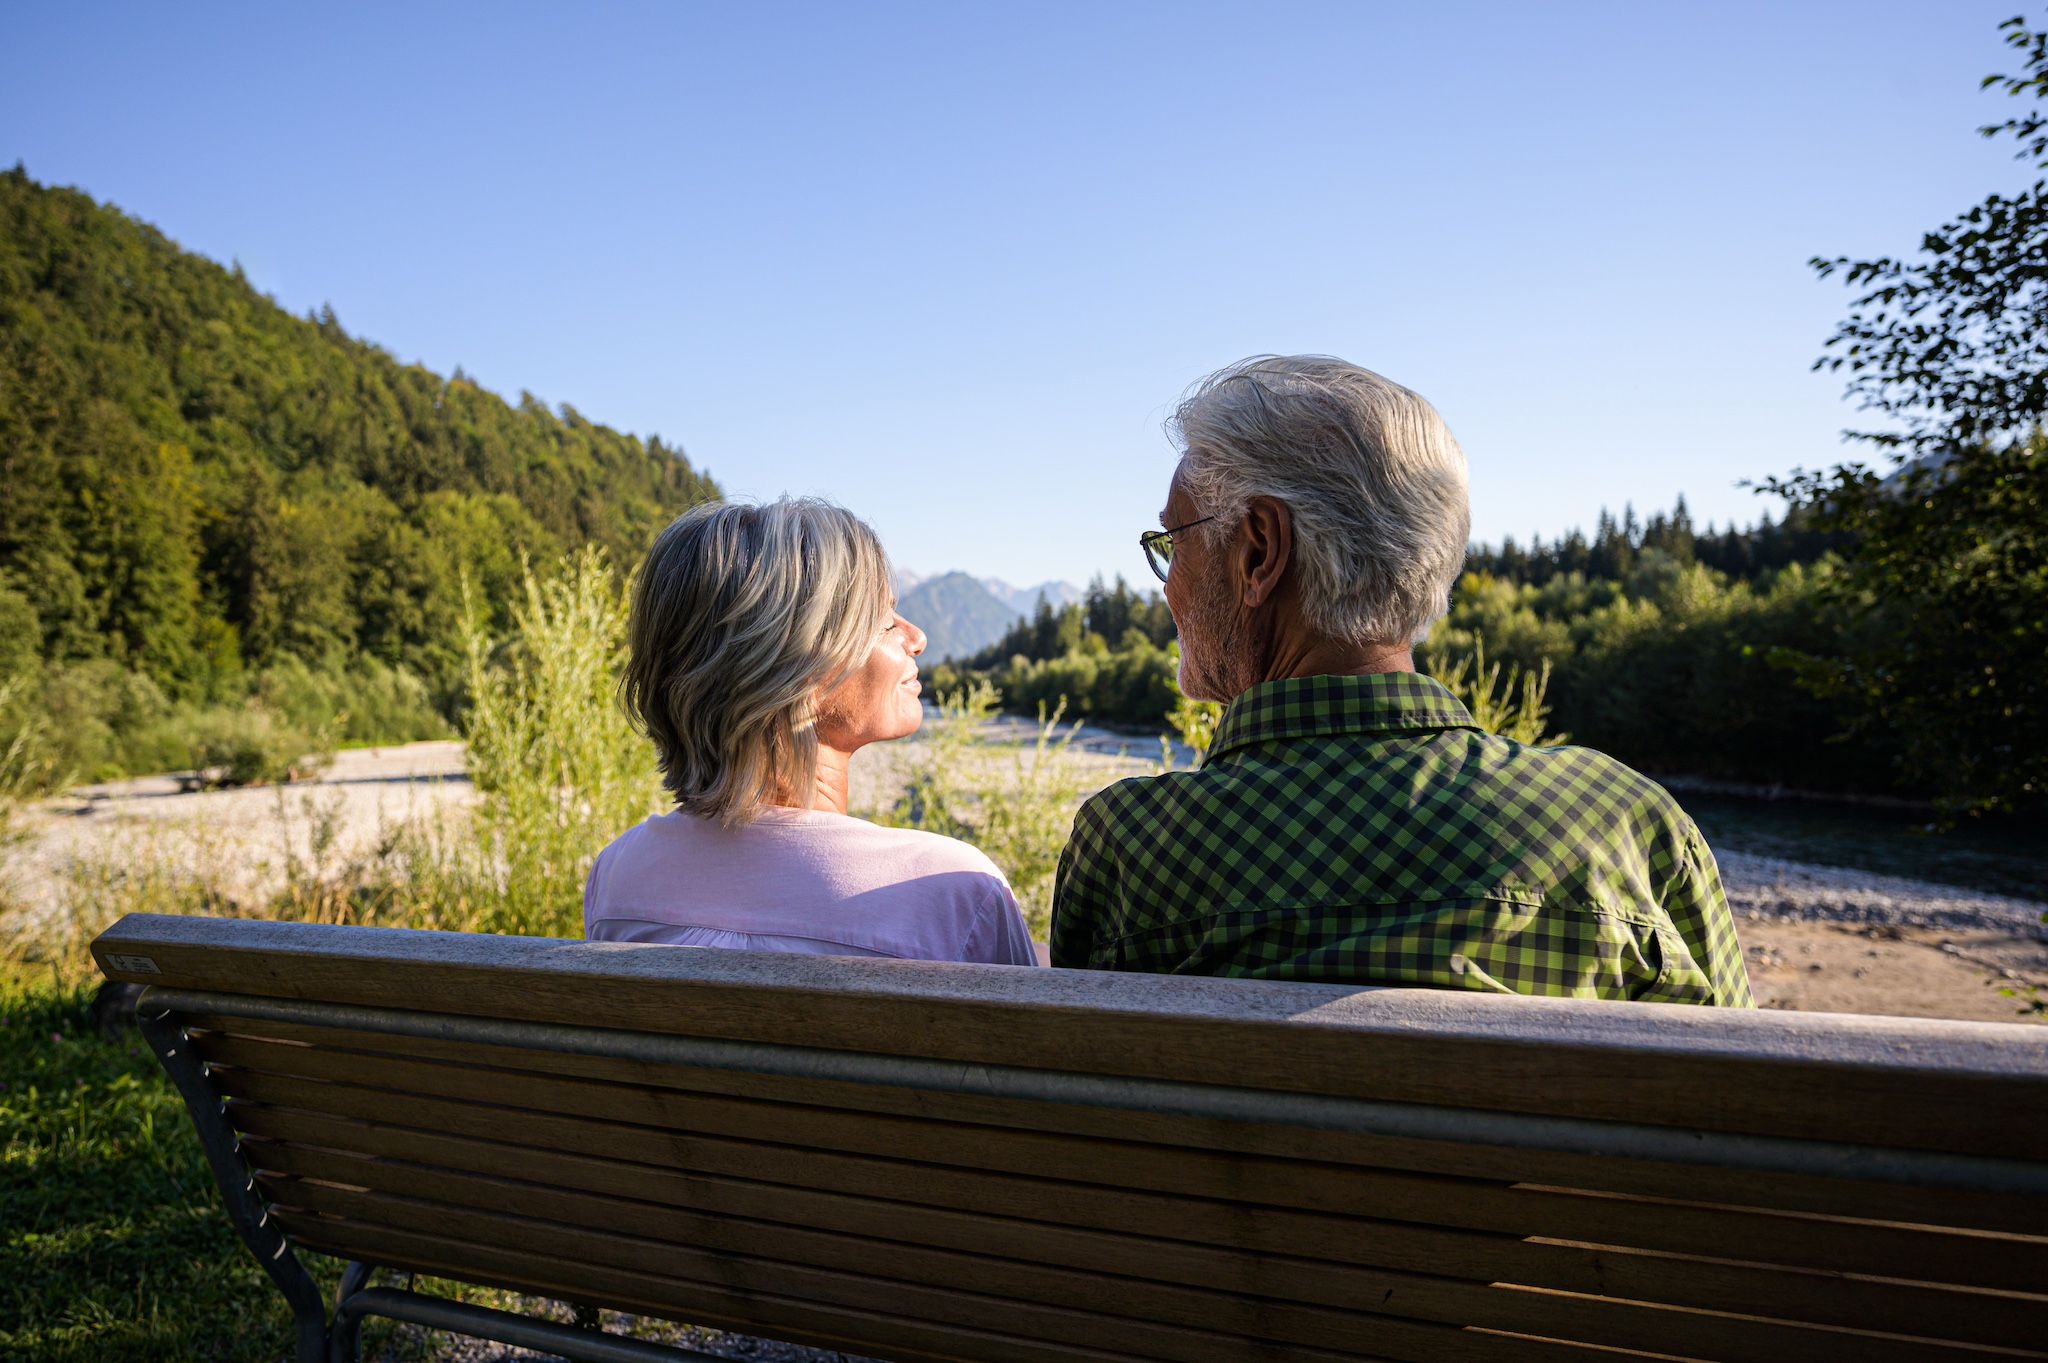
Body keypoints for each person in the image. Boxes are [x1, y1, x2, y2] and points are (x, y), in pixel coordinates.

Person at [1049, 356, 1752, 1004]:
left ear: (1259, 551)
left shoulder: (1130, 849)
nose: (1168, 586)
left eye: (1175, 542)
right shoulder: (1625, 827)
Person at [586, 497, 1040, 966]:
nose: (916, 637)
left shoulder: (619, 876)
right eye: (884, 621)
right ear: (797, 674)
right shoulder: (956, 892)